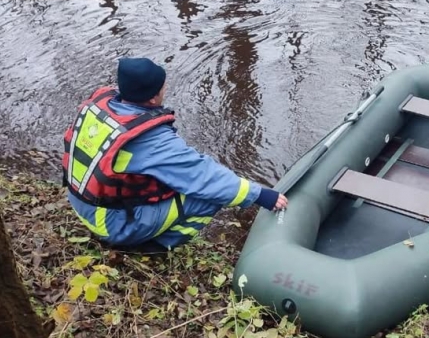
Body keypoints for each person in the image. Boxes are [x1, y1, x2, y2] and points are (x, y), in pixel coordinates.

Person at [61, 57, 288, 252]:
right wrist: (260, 195)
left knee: (174, 183)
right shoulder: (152, 141)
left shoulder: (101, 106)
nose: (164, 90)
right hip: (110, 224)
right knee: (207, 197)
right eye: (163, 87)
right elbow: (204, 176)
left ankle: (145, 232)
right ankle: (156, 248)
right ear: (153, 98)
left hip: (80, 202)